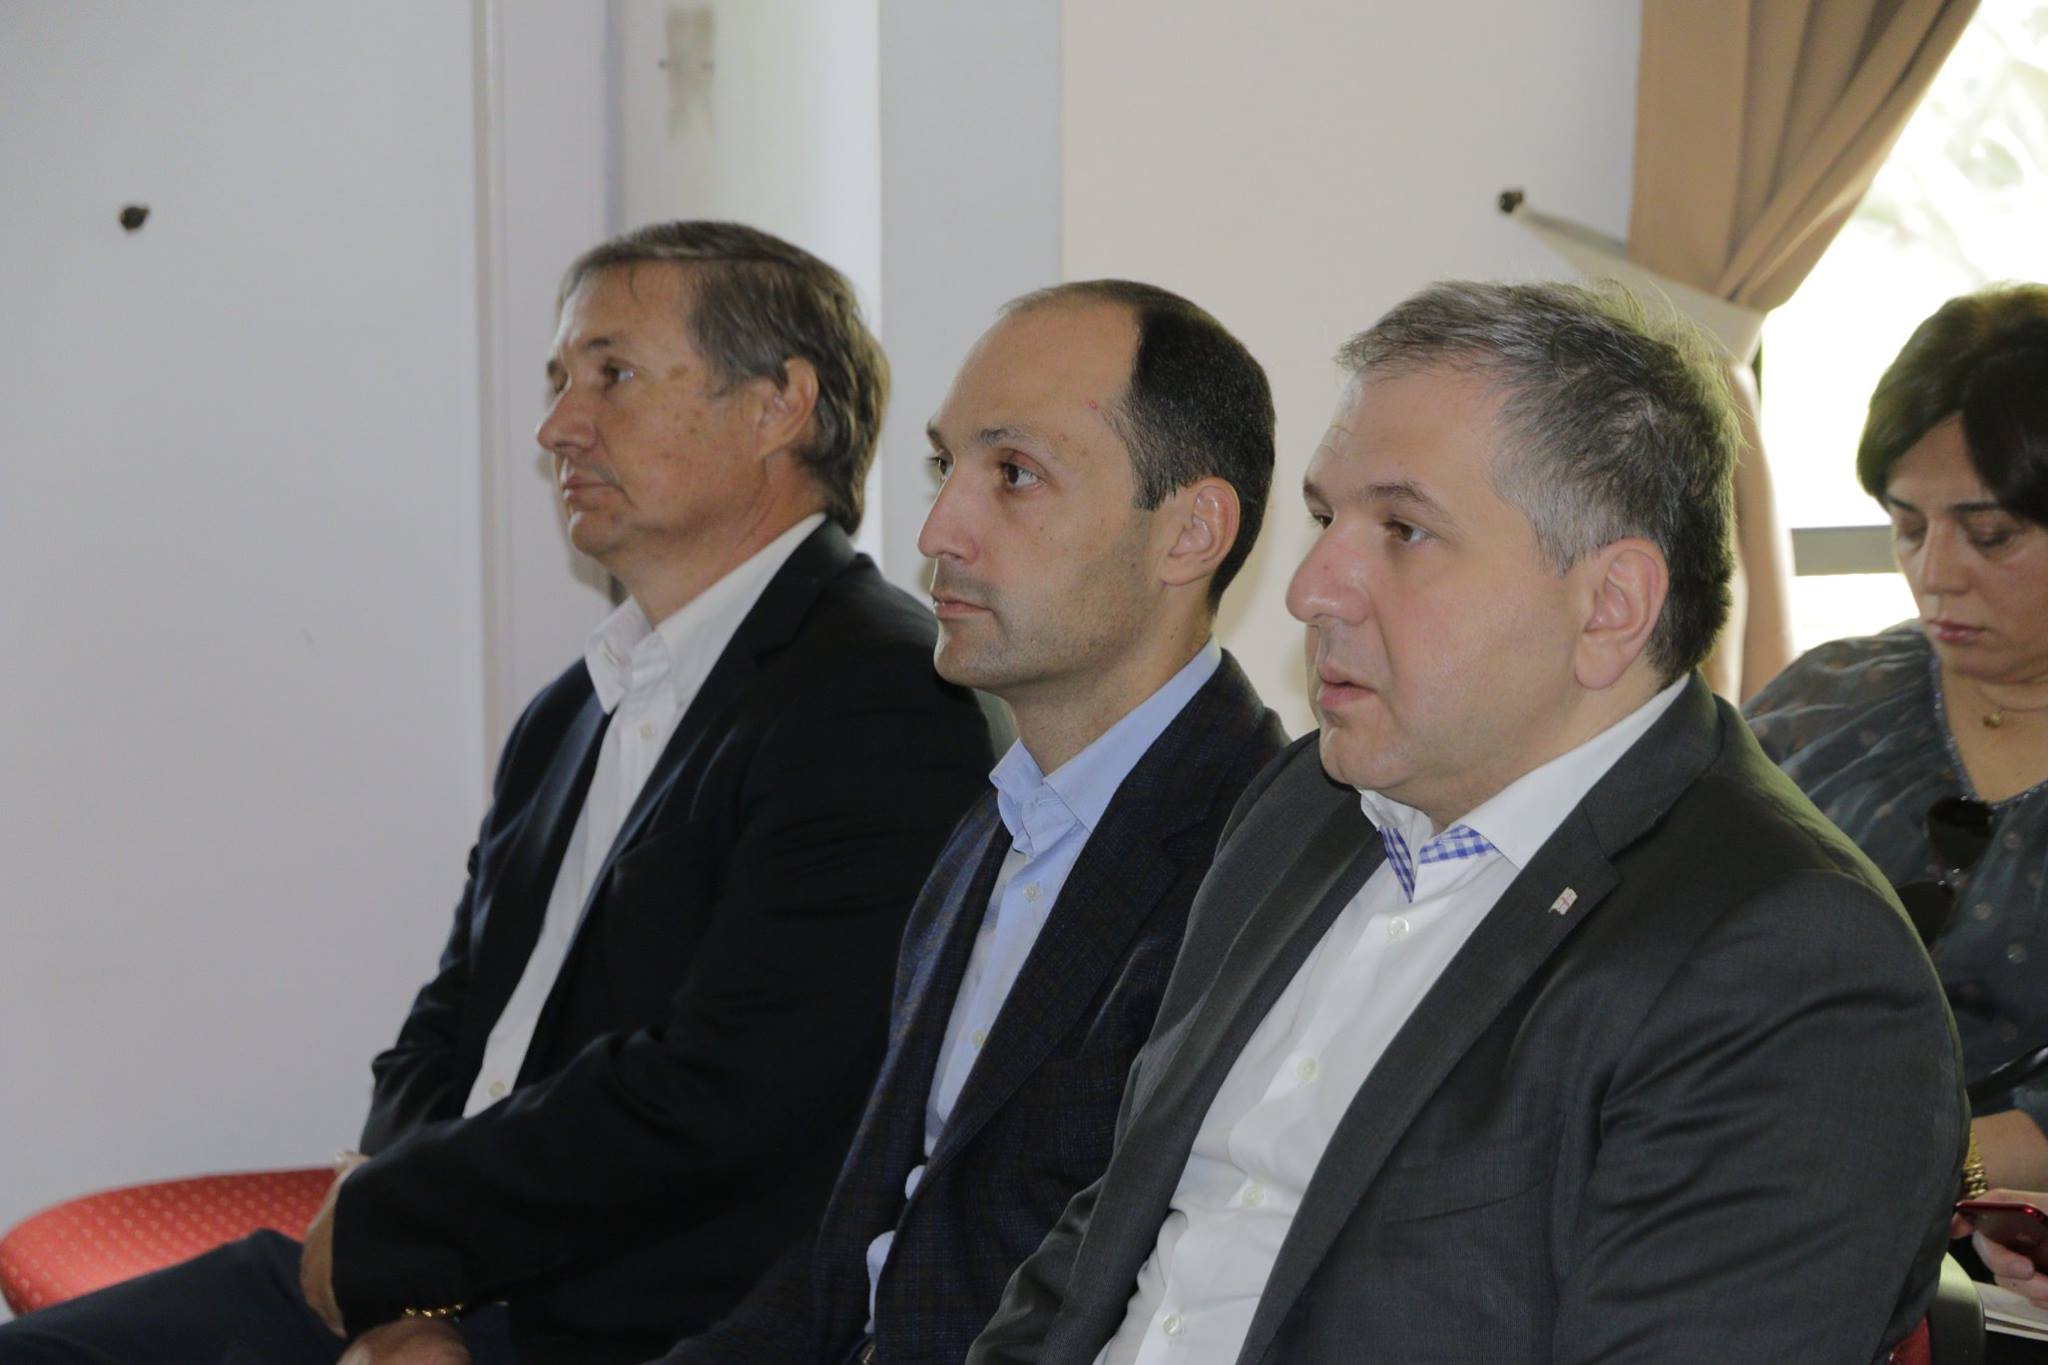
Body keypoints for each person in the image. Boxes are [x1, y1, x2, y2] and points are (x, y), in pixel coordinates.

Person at [0, 222, 993, 1365]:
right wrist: (404, 1296)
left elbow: (728, 1097)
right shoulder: (572, 708)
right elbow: (443, 1033)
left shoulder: (877, 695)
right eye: (559, 380)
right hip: (441, 1284)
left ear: (778, 406)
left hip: (628, 1326)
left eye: (611, 374)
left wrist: (407, 1249)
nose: (556, 426)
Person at [966, 280, 1966, 1365]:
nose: (1310, 589)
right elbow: (1105, 1242)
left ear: (1610, 607)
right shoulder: (1305, 807)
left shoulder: (1788, 968)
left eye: (1403, 530)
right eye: (1325, 518)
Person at [657, 281, 1287, 1365]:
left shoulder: (1261, 866)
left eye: (1015, 474)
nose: (939, 530)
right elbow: (858, 1258)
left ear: (1190, 532)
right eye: (946, 465)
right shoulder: (992, 825)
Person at [1746, 284, 2048, 1195]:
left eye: (1989, 534)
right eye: (1907, 526)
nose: (1934, 573)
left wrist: (1908, 1172)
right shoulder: (1827, 705)